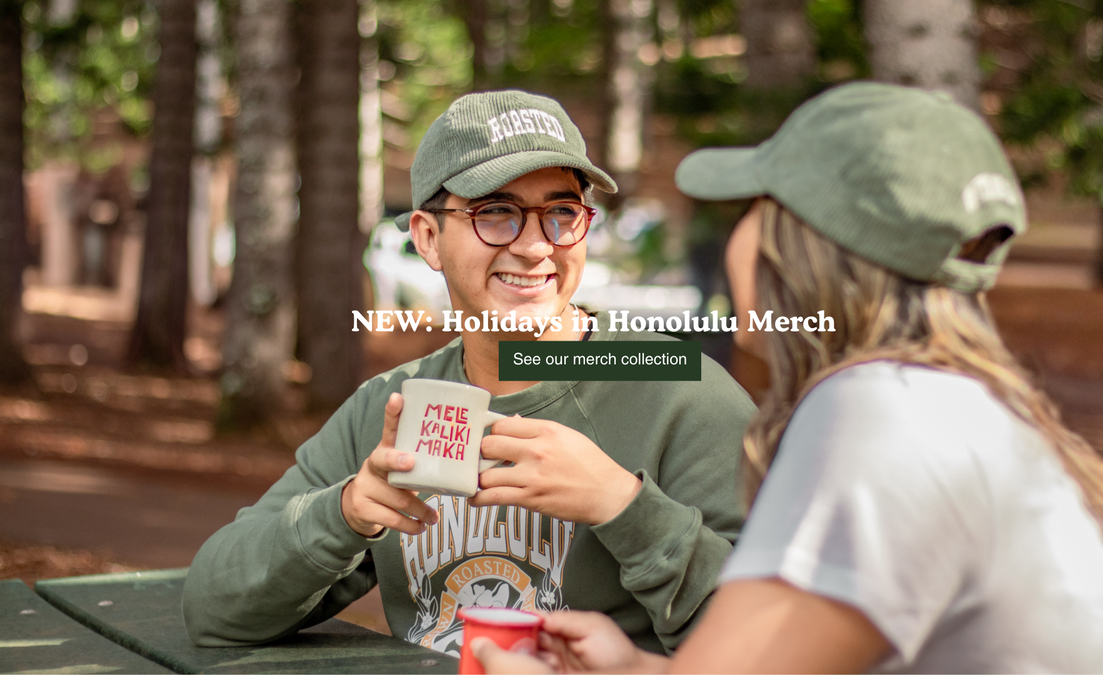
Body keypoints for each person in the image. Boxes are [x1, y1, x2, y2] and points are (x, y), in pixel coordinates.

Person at [474, 82, 1103, 673]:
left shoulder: (882, 413)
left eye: (755, 205)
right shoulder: (956, 403)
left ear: (800, 241)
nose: (738, 232)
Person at [182, 90, 755, 657]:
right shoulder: (391, 406)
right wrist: (348, 512)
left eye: (561, 213)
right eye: (496, 214)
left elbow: (767, 644)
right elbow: (213, 611)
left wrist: (621, 505)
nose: (536, 247)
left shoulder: (681, 389)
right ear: (429, 238)